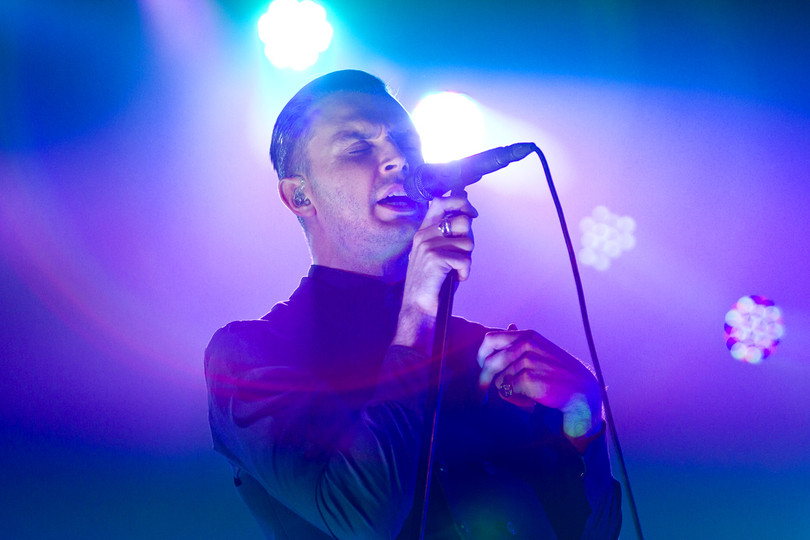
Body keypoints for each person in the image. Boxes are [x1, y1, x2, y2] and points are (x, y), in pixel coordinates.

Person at [205, 69, 622, 539]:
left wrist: (585, 420)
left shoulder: (479, 350)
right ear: (300, 195)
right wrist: (418, 311)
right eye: (358, 148)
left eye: (406, 142)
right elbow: (363, 517)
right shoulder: (250, 355)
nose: (399, 159)